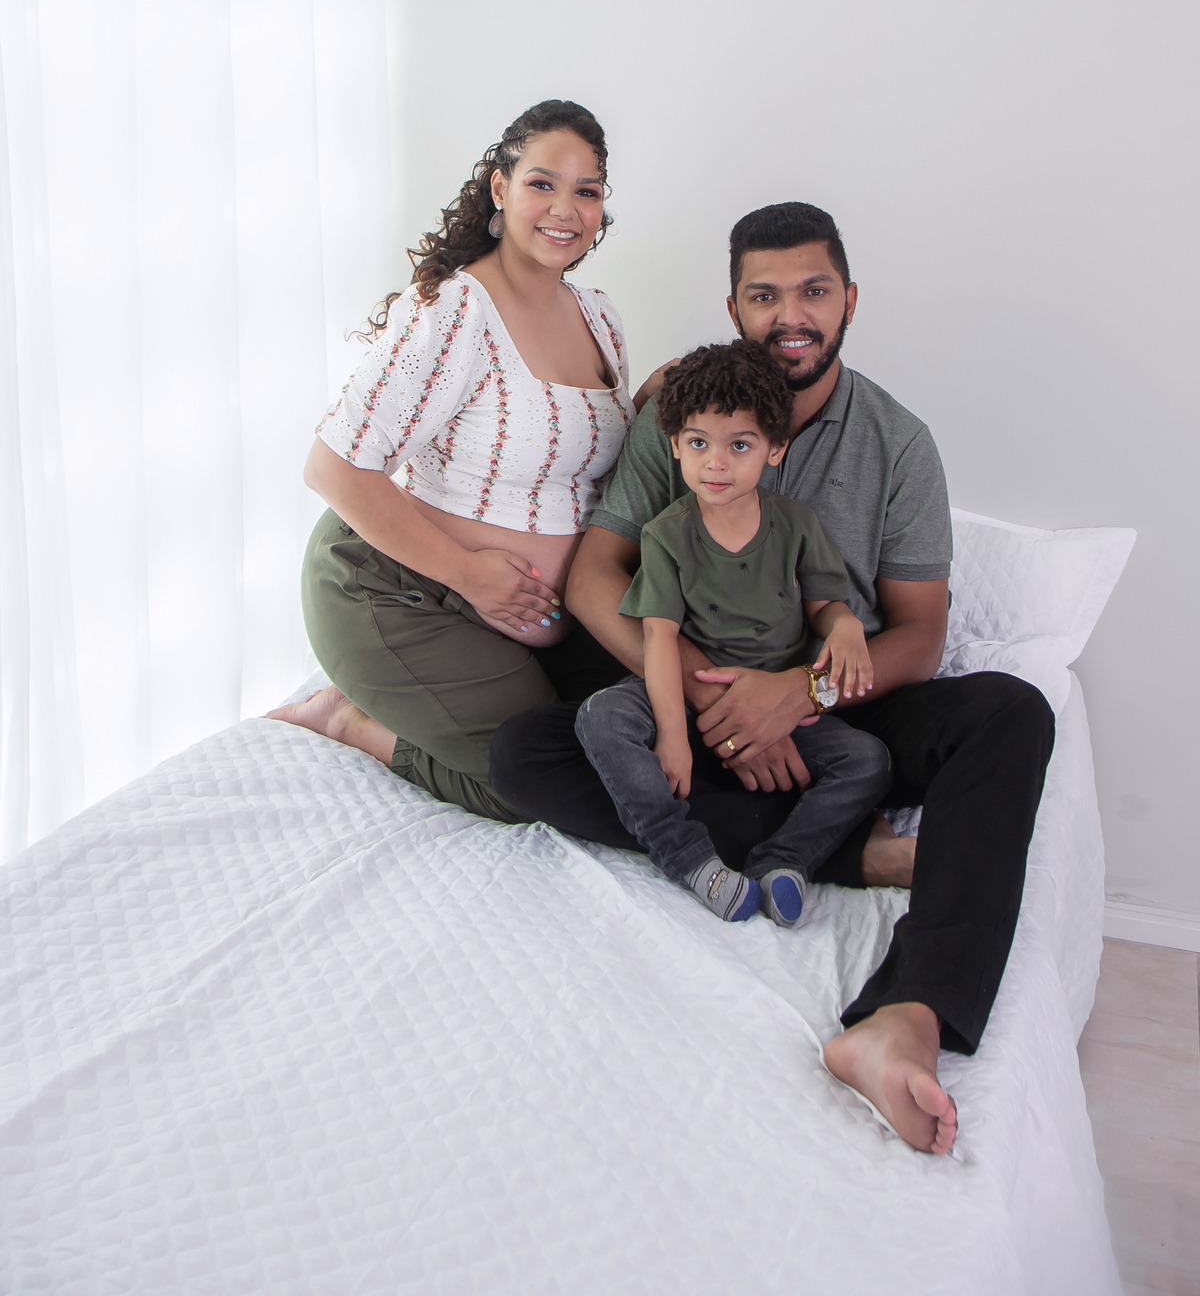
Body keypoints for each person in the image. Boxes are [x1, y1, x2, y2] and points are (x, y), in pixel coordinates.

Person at [489, 201, 1055, 1155]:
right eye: (764, 295)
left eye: (814, 291)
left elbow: (919, 635)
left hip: (844, 705)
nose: (791, 315)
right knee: (526, 755)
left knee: (1012, 713)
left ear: (849, 301)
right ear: (734, 307)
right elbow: (593, 578)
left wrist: (799, 697)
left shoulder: (897, 442)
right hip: (697, 693)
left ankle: (904, 1016)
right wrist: (707, 700)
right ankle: (849, 850)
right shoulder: (681, 411)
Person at [269, 99, 633, 822]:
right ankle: (352, 721)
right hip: (393, 589)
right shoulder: (455, 310)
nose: (565, 209)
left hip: (520, 622)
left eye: (586, 191)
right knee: (536, 783)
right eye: (542, 183)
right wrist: (469, 574)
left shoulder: (599, 315)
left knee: (620, 748)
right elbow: (331, 468)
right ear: (501, 188)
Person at [575, 339, 892, 926]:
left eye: (739, 445)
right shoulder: (666, 535)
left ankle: (786, 861)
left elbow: (825, 606)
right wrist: (673, 736)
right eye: (699, 443)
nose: (716, 463)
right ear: (674, 443)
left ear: (775, 448)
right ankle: (690, 859)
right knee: (601, 717)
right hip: (680, 696)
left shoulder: (796, 527)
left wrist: (845, 625)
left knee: (868, 760)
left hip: (773, 709)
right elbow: (659, 641)